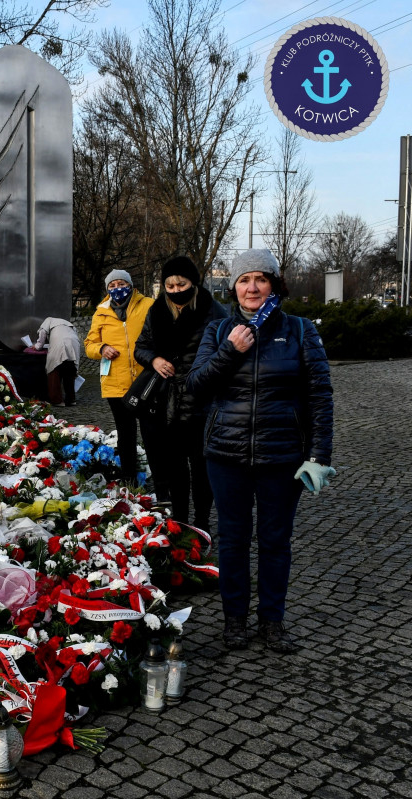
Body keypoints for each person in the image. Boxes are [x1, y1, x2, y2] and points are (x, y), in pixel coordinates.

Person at [187, 249, 335, 654]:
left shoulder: (301, 331)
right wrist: (230, 351)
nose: (252, 287)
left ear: (274, 283)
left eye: (261, 279)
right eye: (243, 280)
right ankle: (234, 621)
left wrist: (319, 455)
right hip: (225, 456)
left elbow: (320, 395)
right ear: (233, 287)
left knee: (275, 541)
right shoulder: (219, 331)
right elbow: (195, 385)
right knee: (233, 541)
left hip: (282, 457)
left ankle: (272, 622)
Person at [133, 255, 228, 529]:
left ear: (193, 283)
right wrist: (154, 360)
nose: (176, 291)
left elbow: (227, 355)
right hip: (167, 401)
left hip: (202, 401)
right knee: (174, 467)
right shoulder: (157, 311)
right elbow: (142, 346)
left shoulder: (214, 311)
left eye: (181, 284)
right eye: (170, 286)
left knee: (201, 468)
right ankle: (180, 520)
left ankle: (201, 522)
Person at [84, 270, 154, 486]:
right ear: (107, 289)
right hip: (115, 382)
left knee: (152, 433)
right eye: (112, 285)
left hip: (146, 381)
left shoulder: (149, 305)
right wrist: (102, 348)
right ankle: (129, 479)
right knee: (126, 434)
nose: (117, 288)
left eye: (121, 283)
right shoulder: (100, 312)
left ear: (131, 285)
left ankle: (162, 480)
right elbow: (89, 344)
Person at [35, 317, 81, 406]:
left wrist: (37, 346)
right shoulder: (67, 323)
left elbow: (43, 332)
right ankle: (71, 399)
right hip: (74, 342)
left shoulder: (48, 320)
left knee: (54, 370)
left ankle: (57, 400)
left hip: (60, 343)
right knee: (70, 371)